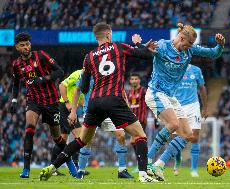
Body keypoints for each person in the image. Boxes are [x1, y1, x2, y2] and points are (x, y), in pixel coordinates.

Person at [39, 22, 158, 182]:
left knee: (81, 140)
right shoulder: (118, 47)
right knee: (140, 135)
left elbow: (85, 87)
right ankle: (143, 175)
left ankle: (52, 167)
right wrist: (138, 43)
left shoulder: (88, 57)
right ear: (108, 35)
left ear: (96, 37)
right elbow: (147, 55)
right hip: (114, 99)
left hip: (94, 103)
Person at [145, 23, 225, 181]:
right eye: (189, 43)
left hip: (171, 97)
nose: (190, 47)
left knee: (189, 135)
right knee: (173, 124)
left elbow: (213, 53)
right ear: (181, 38)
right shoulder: (162, 46)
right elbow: (142, 49)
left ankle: (159, 165)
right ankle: (146, 162)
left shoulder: (190, 49)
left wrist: (220, 45)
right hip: (156, 92)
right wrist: (145, 48)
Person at [10, 32, 77, 178]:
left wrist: (44, 78)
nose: (26, 47)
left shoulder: (40, 55)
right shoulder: (16, 65)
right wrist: (14, 100)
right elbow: (15, 83)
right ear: (17, 47)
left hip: (51, 101)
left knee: (57, 139)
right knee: (29, 130)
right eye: (22, 45)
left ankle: (69, 162)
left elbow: (60, 70)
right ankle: (26, 169)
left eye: (27, 44)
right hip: (33, 100)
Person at [67, 70, 134, 179]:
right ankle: (81, 171)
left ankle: (122, 170)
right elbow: (77, 91)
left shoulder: (109, 70)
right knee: (86, 141)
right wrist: (73, 112)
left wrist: (126, 106)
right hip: (91, 110)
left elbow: (120, 90)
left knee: (121, 135)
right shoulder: (85, 73)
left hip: (108, 110)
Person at [172, 64, 208, 177]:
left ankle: (193, 169)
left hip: (193, 106)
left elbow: (202, 88)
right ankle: (177, 162)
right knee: (176, 139)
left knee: (195, 137)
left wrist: (205, 108)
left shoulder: (196, 70)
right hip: (176, 105)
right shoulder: (172, 68)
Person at [126, 73, 148, 172]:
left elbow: (149, 103)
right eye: (132, 79)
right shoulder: (129, 92)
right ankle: (142, 163)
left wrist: (155, 117)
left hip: (141, 120)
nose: (134, 81)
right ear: (130, 81)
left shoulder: (144, 91)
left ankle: (142, 164)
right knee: (134, 141)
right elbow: (128, 105)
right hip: (132, 121)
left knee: (136, 140)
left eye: (136, 79)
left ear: (139, 80)